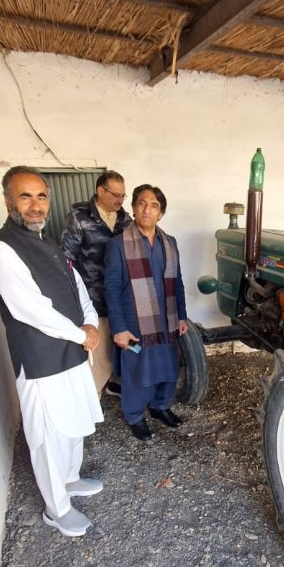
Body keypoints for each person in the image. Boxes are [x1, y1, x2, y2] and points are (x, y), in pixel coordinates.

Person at [0, 166, 105, 538]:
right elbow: (28, 308)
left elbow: (77, 285)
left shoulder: (48, 243)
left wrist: (91, 323)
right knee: (48, 434)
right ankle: (57, 508)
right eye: (25, 196)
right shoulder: (0, 250)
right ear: (8, 201)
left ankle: (69, 479)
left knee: (73, 421)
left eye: (41, 196)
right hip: (39, 359)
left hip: (72, 348)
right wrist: (78, 333)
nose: (35, 205)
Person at [104, 184, 188, 441]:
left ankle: (161, 406)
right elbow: (111, 288)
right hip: (136, 323)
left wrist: (182, 315)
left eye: (153, 205)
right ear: (133, 208)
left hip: (167, 319)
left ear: (160, 213)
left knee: (168, 367)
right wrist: (118, 327)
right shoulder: (118, 245)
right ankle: (134, 416)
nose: (147, 209)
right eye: (142, 203)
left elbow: (178, 281)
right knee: (138, 371)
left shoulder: (169, 242)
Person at [61, 171, 131, 397]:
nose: (120, 200)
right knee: (97, 349)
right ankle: (93, 396)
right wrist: (74, 296)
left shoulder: (124, 219)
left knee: (118, 343)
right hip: (93, 295)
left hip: (119, 294)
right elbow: (67, 259)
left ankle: (114, 383)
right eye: (116, 195)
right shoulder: (79, 217)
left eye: (123, 196)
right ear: (100, 191)